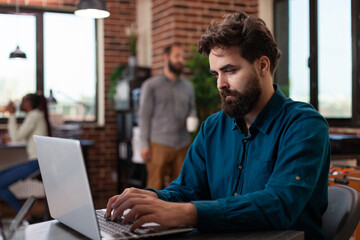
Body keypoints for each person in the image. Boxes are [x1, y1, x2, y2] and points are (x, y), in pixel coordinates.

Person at [105, 12, 330, 239]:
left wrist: (187, 213)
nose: (220, 84)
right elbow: (187, 190)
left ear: (262, 65)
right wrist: (150, 199)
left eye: (230, 70)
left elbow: (280, 204)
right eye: (216, 74)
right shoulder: (212, 127)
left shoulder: (304, 125)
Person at [138, 43, 197, 189]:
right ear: (166, 58)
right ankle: (150, 213)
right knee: (154, 188)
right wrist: (144, 145)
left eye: (182, 57)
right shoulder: (151, 85)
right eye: (177, 56)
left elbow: (193, 110)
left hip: (183, 144)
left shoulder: (188, 86)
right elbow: (144, 116)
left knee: (181, 188)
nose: (180, 60)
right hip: (159, 144)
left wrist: (192, 116)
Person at [0, 93, 50, 212]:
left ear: (30, 104)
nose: (20, 103)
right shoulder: (34, 116)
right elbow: (22, 135)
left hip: (38, 162)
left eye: (23, 101)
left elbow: (17, 136)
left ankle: (23, 213)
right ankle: (23, 213)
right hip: (35, 161)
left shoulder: (35, 116)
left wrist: (11, 114)